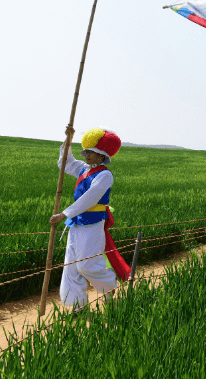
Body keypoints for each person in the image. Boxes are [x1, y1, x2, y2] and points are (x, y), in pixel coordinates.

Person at [50, 127, 124, 310]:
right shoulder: (85, 169)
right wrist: (68, 140)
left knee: (86, 265)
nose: (87, 155)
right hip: (76, 222)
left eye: (91, 152)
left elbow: (91, 197)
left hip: (92, 223)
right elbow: (66, 164)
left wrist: (64, 214)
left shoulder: (105, 175)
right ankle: (76, 305)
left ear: (101, 156)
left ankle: (108, 286)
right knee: (71, 267)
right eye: (86, 151)